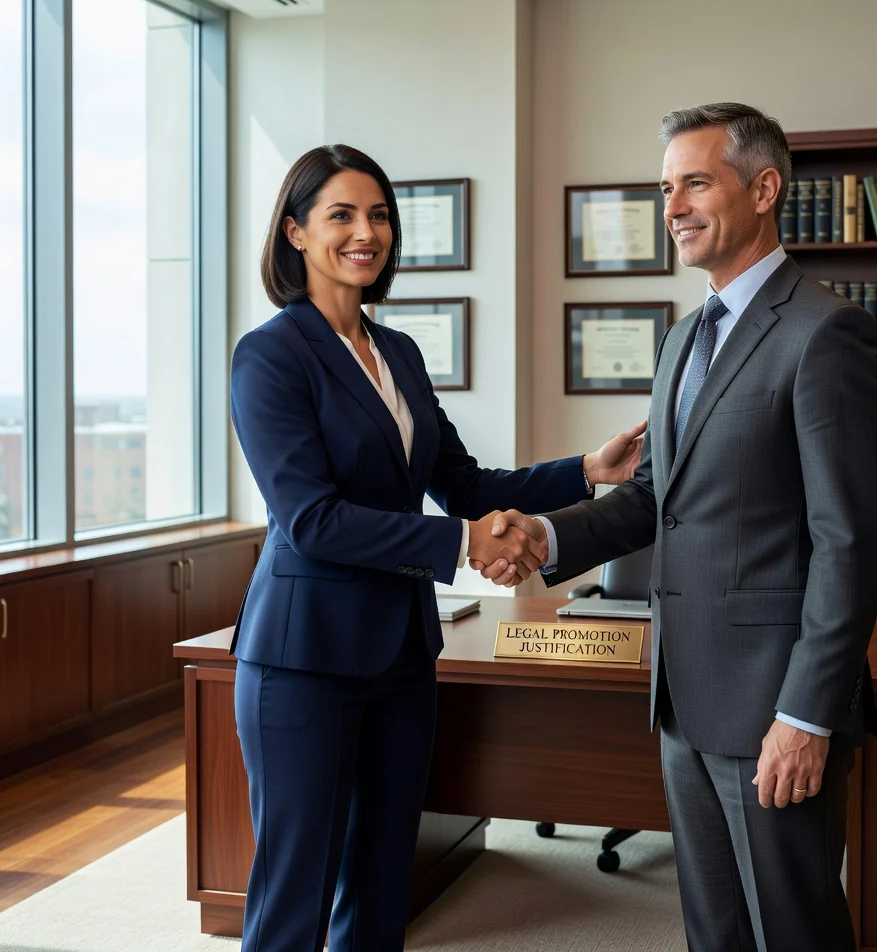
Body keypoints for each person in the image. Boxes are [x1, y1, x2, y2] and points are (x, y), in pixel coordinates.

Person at [484, 103, 877, 952]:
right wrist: (545, 537)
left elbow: (850, 543)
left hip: (776, 705)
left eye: (695, 183)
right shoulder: (682, 341)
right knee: (715, 934)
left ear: (764, 188)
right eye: (666, 187)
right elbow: (654, 498)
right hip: (682, 697)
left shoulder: (827, 333)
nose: (672, 206)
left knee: (796, 930)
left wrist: (807, 716)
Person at [229, 143, 645, 952]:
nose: (366, 232)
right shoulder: (271, 355)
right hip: (302, 661)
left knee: (384, 881)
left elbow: (460, 479)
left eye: (379, 215)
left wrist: (585, 470)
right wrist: (464, 543)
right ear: (294, 233)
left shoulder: (400, 354)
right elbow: (311, 519)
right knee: (296, 893)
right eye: (341, 215)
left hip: (401, 653)